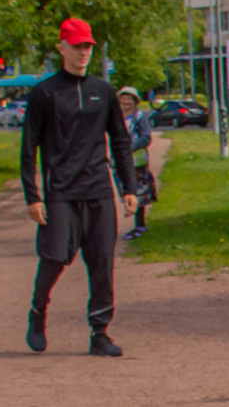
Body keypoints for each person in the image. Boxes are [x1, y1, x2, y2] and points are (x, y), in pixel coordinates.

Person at [20, 19, 136, 355]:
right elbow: (29, 149)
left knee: (102, 262)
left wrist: (128, 187)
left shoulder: (104, 91)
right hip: (61, 193)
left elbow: (120, 141)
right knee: (54, 258)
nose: (83, 52)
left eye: (87, 46)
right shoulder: (45, 93)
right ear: (62, 48)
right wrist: (33, 196)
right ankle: (38, 311)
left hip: (98, 189)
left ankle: (99, 333)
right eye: (76, 46)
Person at [119, 87, 166, 240]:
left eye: (129, 99)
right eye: (123, 98)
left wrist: (128, 148)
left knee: (138, 190)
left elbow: (146, 138)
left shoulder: (140, 116)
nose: (126, 102)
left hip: (136, 161)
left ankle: (140, 225)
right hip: (119, 161)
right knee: (125, 190)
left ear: (135, 101)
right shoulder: (116, 117)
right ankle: (134, 222)